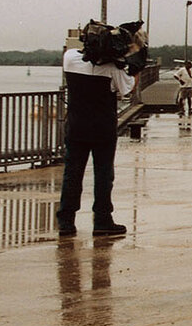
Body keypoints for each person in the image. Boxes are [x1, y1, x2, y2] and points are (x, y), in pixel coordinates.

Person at [58, 21, 141, 237]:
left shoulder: (70, 58)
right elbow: (128, 89)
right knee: (104, 175)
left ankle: (66, 221)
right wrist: (132, 66)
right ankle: (102, 220)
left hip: (76, 126)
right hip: (103, 128)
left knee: (72, 174)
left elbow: (80, 53)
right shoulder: (113, 69)